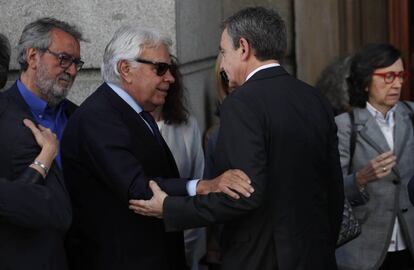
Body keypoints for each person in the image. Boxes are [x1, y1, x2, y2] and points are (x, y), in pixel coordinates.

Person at [130, 6, 344, 270]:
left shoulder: (242, 102)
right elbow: (334, 188)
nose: (222, 62)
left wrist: (170, 208)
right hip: (317, 256)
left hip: (262, 259)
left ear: (243, 48)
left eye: (223, 51)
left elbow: (244, 194)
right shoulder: (314, 98)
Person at [61, 25, 253, 270]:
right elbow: (138, 188)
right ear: (125, 69)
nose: (170, 78)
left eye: (169, 69)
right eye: (160, 68)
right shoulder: (98, 117)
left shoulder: (134, 111)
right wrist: (204, 185)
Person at [0, 17, 84, 270]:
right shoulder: (4, 115)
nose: (71, 71)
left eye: (76, 63)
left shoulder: (79, 117)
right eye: (63, 59)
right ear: (33, 57)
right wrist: (46, 156)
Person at [335, 43, 414, 270]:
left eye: (401, 75)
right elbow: (329, 192)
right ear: (366, 80)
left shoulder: (411, 115)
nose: (397, 83)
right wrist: (359, 179)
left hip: (409, 245)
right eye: (389, 76)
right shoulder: (344, 127)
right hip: (363, 252)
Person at [150, 58, 206, 270]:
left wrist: (188, 243)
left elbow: (198, 181)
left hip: (182, 238)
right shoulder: (125, 125)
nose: (166, 80)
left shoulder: (186, 125)